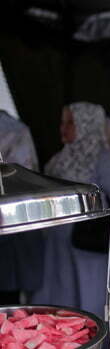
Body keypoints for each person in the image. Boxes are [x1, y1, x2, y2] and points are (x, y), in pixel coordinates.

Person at [33, 102, 110, 320]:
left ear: (87, 124)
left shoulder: (104, 161)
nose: (63, 128)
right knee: (63, 299)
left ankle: (98, 345)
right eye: (63, 122)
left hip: (92, 244)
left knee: (93, 297)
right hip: (59, 246)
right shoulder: (59, 159)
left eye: (70, 122)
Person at [0, 111, 44, 305]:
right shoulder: (15, 130)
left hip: (10, 221)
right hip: (12, 220)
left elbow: (19, 178)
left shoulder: (14, 131)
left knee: (8, 290)